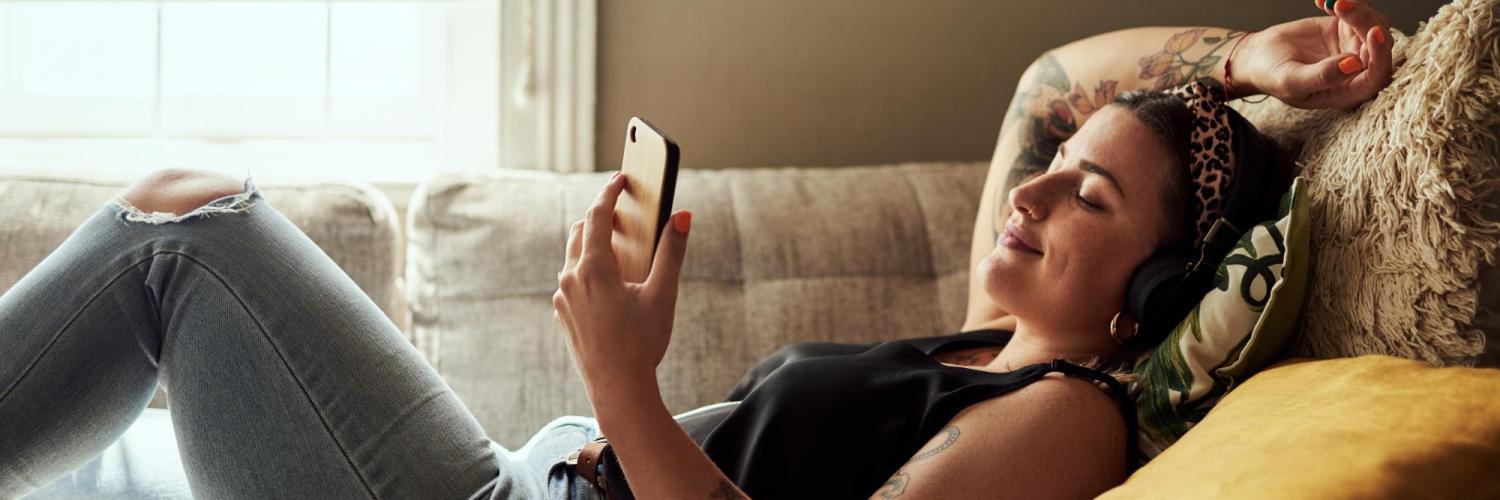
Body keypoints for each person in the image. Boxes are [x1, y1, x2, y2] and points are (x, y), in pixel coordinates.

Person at [1, 1, 1394, 499]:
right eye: (1059, 175)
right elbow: (1049, 79)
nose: (1033, 191)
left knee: (182, 227)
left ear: (1153, 293)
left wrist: (624, 385)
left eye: (1087, 201)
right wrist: (1233, 66)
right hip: (521, 474)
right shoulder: (999, 342)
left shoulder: (1068, 423)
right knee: (162, 283)